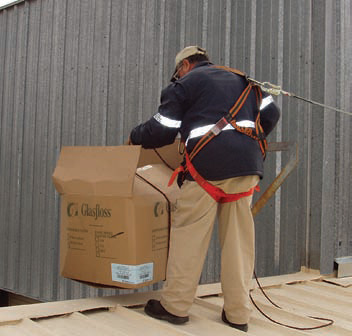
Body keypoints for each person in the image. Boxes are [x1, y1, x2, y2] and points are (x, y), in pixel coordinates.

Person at [129, 46, 280, 332]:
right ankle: (237, 315)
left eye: (177, 71)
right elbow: (272, 114)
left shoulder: (184, 85)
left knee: (190, 236)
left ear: (185, 65)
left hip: (206, 172)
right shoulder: (244, 79)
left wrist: (134, 135)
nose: (176, 76)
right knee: (239, 244)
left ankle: (175, 307)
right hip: (247, 169)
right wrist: (244, 143)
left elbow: (162, 130)